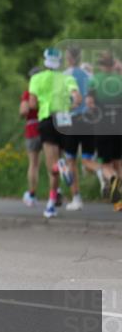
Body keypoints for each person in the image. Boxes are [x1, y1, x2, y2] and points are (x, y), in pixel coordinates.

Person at [28, 47, 81, 219]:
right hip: (65, 119)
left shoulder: (36, 79)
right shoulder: (67, 78)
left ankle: (51, 204)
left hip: (47, 120)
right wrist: (69, 106)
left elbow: (32, 104)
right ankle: (52, 201)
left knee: (52, 168)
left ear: (45, 60)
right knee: (64, 159)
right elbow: (77, 99)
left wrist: (43, 101)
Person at [60, 47, 99, 210]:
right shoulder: (90, 76)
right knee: (88, 161)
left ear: (68, 59)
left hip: (72, 120)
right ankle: (101, 172)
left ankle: (76, 199)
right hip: (89, 119)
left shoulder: (64, 77)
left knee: (70, 160)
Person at [87, 50, 122, 211]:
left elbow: (90, 103)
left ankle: (112, 179)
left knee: (106, 165)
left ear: (101, 65)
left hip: (103, 125)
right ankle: (119, 200)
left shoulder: (94, 81)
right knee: (119, 162)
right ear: (112, 64)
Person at [20, 67, 43, 207]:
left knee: (33, 164)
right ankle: (57, 191)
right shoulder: (48, 91)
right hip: (50, 128)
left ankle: (32, 194)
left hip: (32, 128)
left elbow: (23, 111)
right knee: (53, 162)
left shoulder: (28, 93)